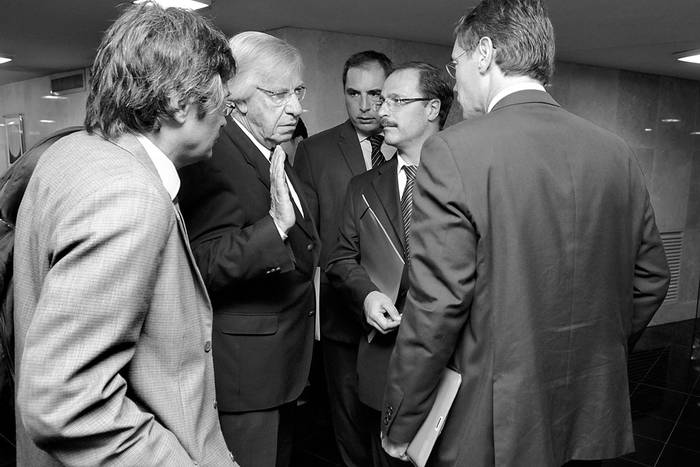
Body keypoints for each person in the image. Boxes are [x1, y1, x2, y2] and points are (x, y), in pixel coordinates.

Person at [380, 1, 670, 466]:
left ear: (484, 54)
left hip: (494, 420)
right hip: (589, 410)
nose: (454, 81)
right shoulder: (616, 152)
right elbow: (652, 276)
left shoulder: (453, 150)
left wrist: (402, 420)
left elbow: (437, 306)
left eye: (455, 63)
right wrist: (600, 354)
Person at [12, 3, 237, 466]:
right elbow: (65, 402)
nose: (225, 116)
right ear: (178, 102)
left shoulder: (73, 150)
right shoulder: (129, 194)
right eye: (222, 100)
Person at [177, 31, 320, 467]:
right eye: (277, 94)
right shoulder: (215, 157)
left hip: (280, 367)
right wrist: (274, 226)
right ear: (235, 98)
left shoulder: (270, 148)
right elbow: (201, 264)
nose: (294, 107)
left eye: (297, 92)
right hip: (245, 375)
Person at [327, 62, 453, 467]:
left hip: (449, 364)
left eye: (398, 100)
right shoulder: (362, 186)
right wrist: (365, 296)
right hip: (383, 362)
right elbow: (341, 256)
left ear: (432, 109)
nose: (383, 110)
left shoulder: (468, 180)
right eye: (384, 100)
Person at [293, 50, 393, 467]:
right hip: (341, 317)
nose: (364, 106)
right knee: (349, 430)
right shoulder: (315, 152)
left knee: (396, 430)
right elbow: (307, 235)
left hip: (402, 319)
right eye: (354, 94)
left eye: (375, 94)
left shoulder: (417, 144)